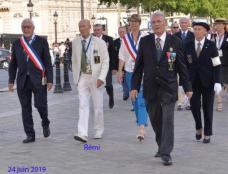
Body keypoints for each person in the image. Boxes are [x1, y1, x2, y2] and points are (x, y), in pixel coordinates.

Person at [131, 12, 193, 165]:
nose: (156, 24)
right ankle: (161, 145)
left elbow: (182, 67)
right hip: (151, 87)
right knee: (155, 120)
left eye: (159, 21)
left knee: (167, 120)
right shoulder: (145, 41)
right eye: (153, 22)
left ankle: (166, 153)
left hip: (168, 87)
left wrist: (187, 87)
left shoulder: (175, 41)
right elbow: (138, 67)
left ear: (165, 23)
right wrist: (134, 87)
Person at [8, 18, 53, 143]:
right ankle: (30, 134)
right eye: (24, 27)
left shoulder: (42, 42)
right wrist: (11, 80)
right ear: (22, 29)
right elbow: (13, 64)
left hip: (39, 79)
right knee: (25, 108)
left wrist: (50, 79)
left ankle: (45, 122)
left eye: (28, 27)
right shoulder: (17, 43)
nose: (26, 29)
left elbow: (48, 62)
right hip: (23, 80)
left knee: (40, 104)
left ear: (33, 28)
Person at [184, 20, 222, 144]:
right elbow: (183, 65)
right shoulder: (187, 45)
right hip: (192, 82)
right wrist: (182, 83)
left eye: (200, 29)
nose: (197, 31)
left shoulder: (211, 46)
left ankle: (207, 132)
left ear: (205, 31)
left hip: (208, 82)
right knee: (194, 107)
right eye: (195, 29)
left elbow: (216, 65)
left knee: (207, 108)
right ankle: (198, 127)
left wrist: (217, 81)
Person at [72, 19, 109, 143]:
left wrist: (101, 78)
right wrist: (76, 78)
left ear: (89, 27)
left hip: (96, 77)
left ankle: (99, 130)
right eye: (79, 26)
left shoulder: (99, 42)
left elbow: (105, 62)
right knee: (83, 104)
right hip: (82, 76)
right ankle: (82, 133)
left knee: (98, 106)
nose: (81, 28)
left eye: (84, 26)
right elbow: (74, 60)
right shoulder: (75, 42)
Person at [117, 14, 148, 142]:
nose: (133, 24)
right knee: (134, 99)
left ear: (140, 23)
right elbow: (122, 56)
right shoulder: (125, 39)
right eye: (131, 22)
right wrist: (120, 70)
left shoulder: (146, 37)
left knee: (141, 99)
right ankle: (140, 121)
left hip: (144, 73)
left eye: (136, 22)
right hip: (130, 72)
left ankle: (141, 128)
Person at [93, 24, 116, 109]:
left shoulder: (108, 39)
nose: (97, 32)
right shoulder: (91, 40)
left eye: (98, 30)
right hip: (95, 66)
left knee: (108, 84)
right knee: (96, 84)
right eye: (95, 30)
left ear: (102, 30)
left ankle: (111, 96)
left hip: (107, 65)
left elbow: (113, 54)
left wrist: (114, 67)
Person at [175, 17, 194, 111]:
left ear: (188, 24)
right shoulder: (175, 35)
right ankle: (180, 102)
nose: (183, 24)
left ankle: (188, 102)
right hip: (178, 62)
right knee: (180, 82)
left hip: (189, 62)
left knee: (189, 81)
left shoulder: (192, 35)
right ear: (180, 24)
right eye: (182, 23)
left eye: (185, 23)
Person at [213, 18, 228, 112]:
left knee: (226, 83)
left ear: (224, 25)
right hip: (215, 62)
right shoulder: (213, 36)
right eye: (216, 24)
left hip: (226, 63)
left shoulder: (227, 36)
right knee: (217, 82)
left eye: (219, 24)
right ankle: (219, 103)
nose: (217, 26)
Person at [114, 26, 129, 100]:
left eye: (123, 31)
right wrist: (115, 68)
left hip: (130, 64)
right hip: (120, 65)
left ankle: (128, 92)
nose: (121, 33)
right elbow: (113, 55)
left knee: (129, 80)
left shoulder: (130, 41)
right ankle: (126, 92)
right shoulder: (116, 42)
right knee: (123, 79)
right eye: (120, 32)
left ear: (126, 32)